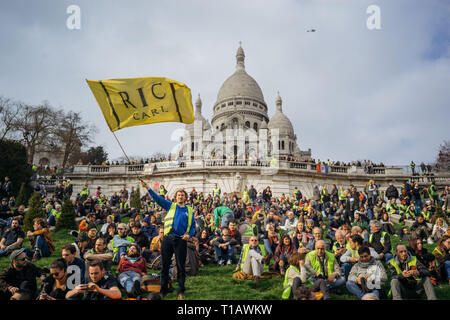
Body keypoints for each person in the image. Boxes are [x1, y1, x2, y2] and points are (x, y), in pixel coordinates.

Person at [140, 179, 196, 300]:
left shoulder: (190, 210)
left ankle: (181, 291)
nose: (180, 196)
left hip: (181, 240)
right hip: (167, 239)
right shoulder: (170, 206)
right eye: (178, 195)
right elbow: (157, 199)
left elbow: (192, 227)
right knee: (164, 265)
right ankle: (163, 290)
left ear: (185, 197)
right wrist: (148, 187)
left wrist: (189, 235)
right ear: (175, 197)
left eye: (182, 195)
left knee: (181, 266)